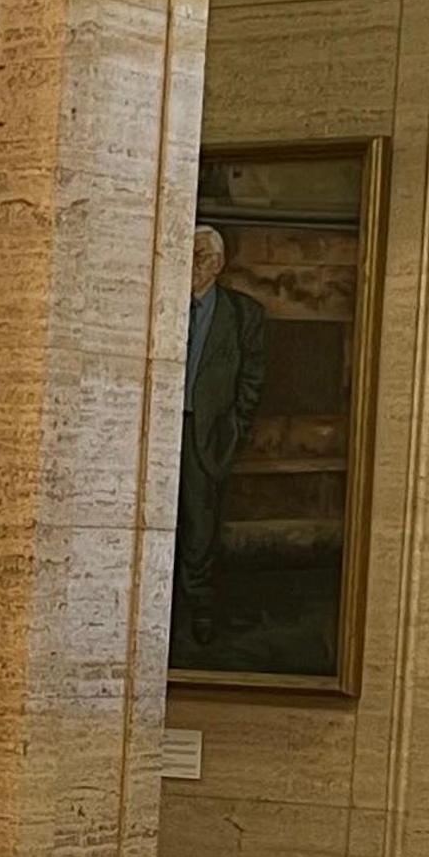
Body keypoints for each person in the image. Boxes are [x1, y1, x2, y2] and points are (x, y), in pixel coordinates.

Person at [175, 224, 269, 653]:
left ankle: (199, 607)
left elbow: (253, 378)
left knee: (199, 523)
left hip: (206, 431)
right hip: (159, 428)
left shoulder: (242, 314)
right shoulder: (164, 305)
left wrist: (236, 428)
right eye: (187, 255)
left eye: (199, 257)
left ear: (217, 263)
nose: (192, 265)